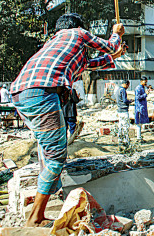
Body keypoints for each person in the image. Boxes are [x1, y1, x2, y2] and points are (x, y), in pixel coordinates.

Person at [10, 13, 124, 227]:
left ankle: (46, 199)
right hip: (42, 92)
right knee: (56, 156)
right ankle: (35, 217)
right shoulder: (77, 33)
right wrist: (116, 35)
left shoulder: (54, 46)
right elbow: (107, 46)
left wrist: (114, 57)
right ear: (79, 27)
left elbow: (88, 65)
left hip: (20, 93)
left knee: (47, 148)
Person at [116, 80, 132, 146]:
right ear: (125, 84)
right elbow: (125, 100)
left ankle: (120, 139)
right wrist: (130, 101)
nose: (128, 87)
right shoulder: (123, 90)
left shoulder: (118, 90)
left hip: (119, 110)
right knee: (125, 125)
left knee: (120, 125)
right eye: (128, 85)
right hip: (124, 110)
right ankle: (126, 140)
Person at [134, 76, 149, 143]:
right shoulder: (138, 88)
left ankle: (139, 137)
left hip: (142, 107)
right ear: (141, 81)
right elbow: (138, 97)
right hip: (139, 108)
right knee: (139, 123)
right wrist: (145, 94)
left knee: (141, 123)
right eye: (144, 81)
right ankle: (138, 137)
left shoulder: (143, 88)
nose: (145, 83)